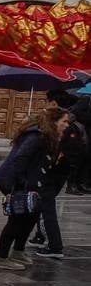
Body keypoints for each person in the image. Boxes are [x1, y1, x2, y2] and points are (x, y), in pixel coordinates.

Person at [0, 108, 68, 270]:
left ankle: (18, 251)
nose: (67, 125)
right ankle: (1, 257)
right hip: (14, 183)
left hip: (32, 184)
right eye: (64, 121)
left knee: (31, 217)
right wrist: (23, 183)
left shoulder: (47, 137)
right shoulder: (37, 137)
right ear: (54, 122)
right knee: (17, 220)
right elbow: (21, 158)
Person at [30, 94, 82, 260]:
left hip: (54, 173)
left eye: (51, 102)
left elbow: (63, 152)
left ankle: (55, 245)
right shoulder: (71, 126)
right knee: (42, 205)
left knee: (47, 208)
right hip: (59, 173)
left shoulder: (66, 129)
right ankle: (40, 236)